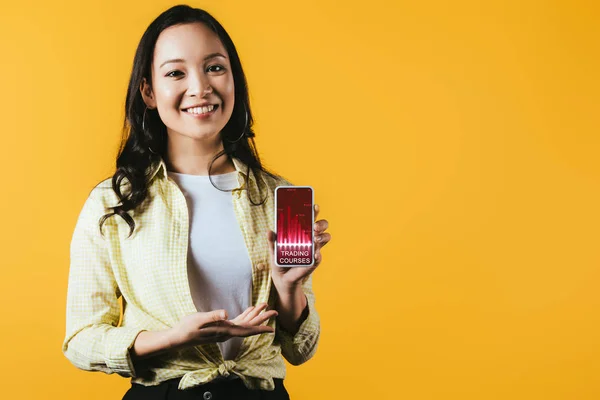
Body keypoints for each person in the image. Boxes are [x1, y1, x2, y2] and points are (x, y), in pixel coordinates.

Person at [61, 4, 331, 399]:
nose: (200, 87)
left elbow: (300, 349)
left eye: (215, 67)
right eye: (175, 73)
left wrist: (289, 289)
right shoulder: (112, 203)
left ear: (234, 79)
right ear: (149, 92)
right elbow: (81, 340)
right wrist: (171, 338)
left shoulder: (276, 196)